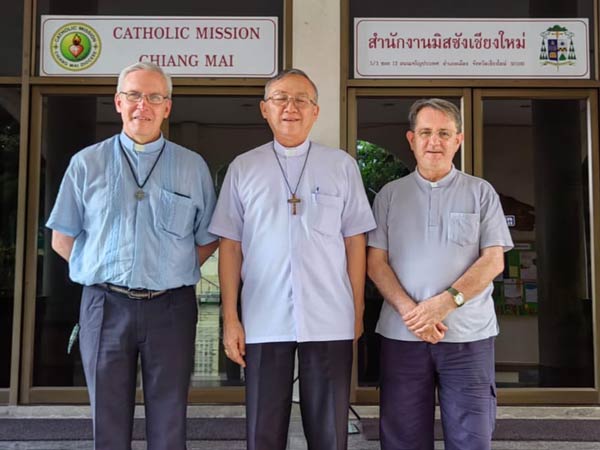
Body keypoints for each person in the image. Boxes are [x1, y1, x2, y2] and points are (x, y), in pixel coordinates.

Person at [46, 61, 217, 450]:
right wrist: (99, 268)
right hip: (104, 306)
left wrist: (172, 266)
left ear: (167, 107)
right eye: (135, 95)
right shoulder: (86, 163)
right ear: (118, 103)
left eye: (155, 96)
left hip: (171, 308)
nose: (144, 105)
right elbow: (61, 237)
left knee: (170, 415)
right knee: (107, 416)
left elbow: (208, 238)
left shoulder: (192, 167)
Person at [208, 68, 375, 450]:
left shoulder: (341, 166)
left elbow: (355, 240)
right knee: (263, 432)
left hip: (330, 315)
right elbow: (230, 245)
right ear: (264, 109)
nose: (291, 107)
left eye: (302, 99)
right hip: (263, 317)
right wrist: (231, 318)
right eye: (281, 98)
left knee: (330, 432)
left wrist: (357, 308)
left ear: (316, 111)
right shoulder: (243, 168)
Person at [367, 98, 513, 450]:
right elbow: (375, 262)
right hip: (403, 337)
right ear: (411, 139)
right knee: (402, 438)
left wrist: (446, 303)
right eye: (426, 132)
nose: (435, 141)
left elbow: (493, 260)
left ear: (458, 140)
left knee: (471, 438)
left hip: (468, 338)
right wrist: (412, 313)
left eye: (444, 133)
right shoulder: (389, 196)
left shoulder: (481, 193)